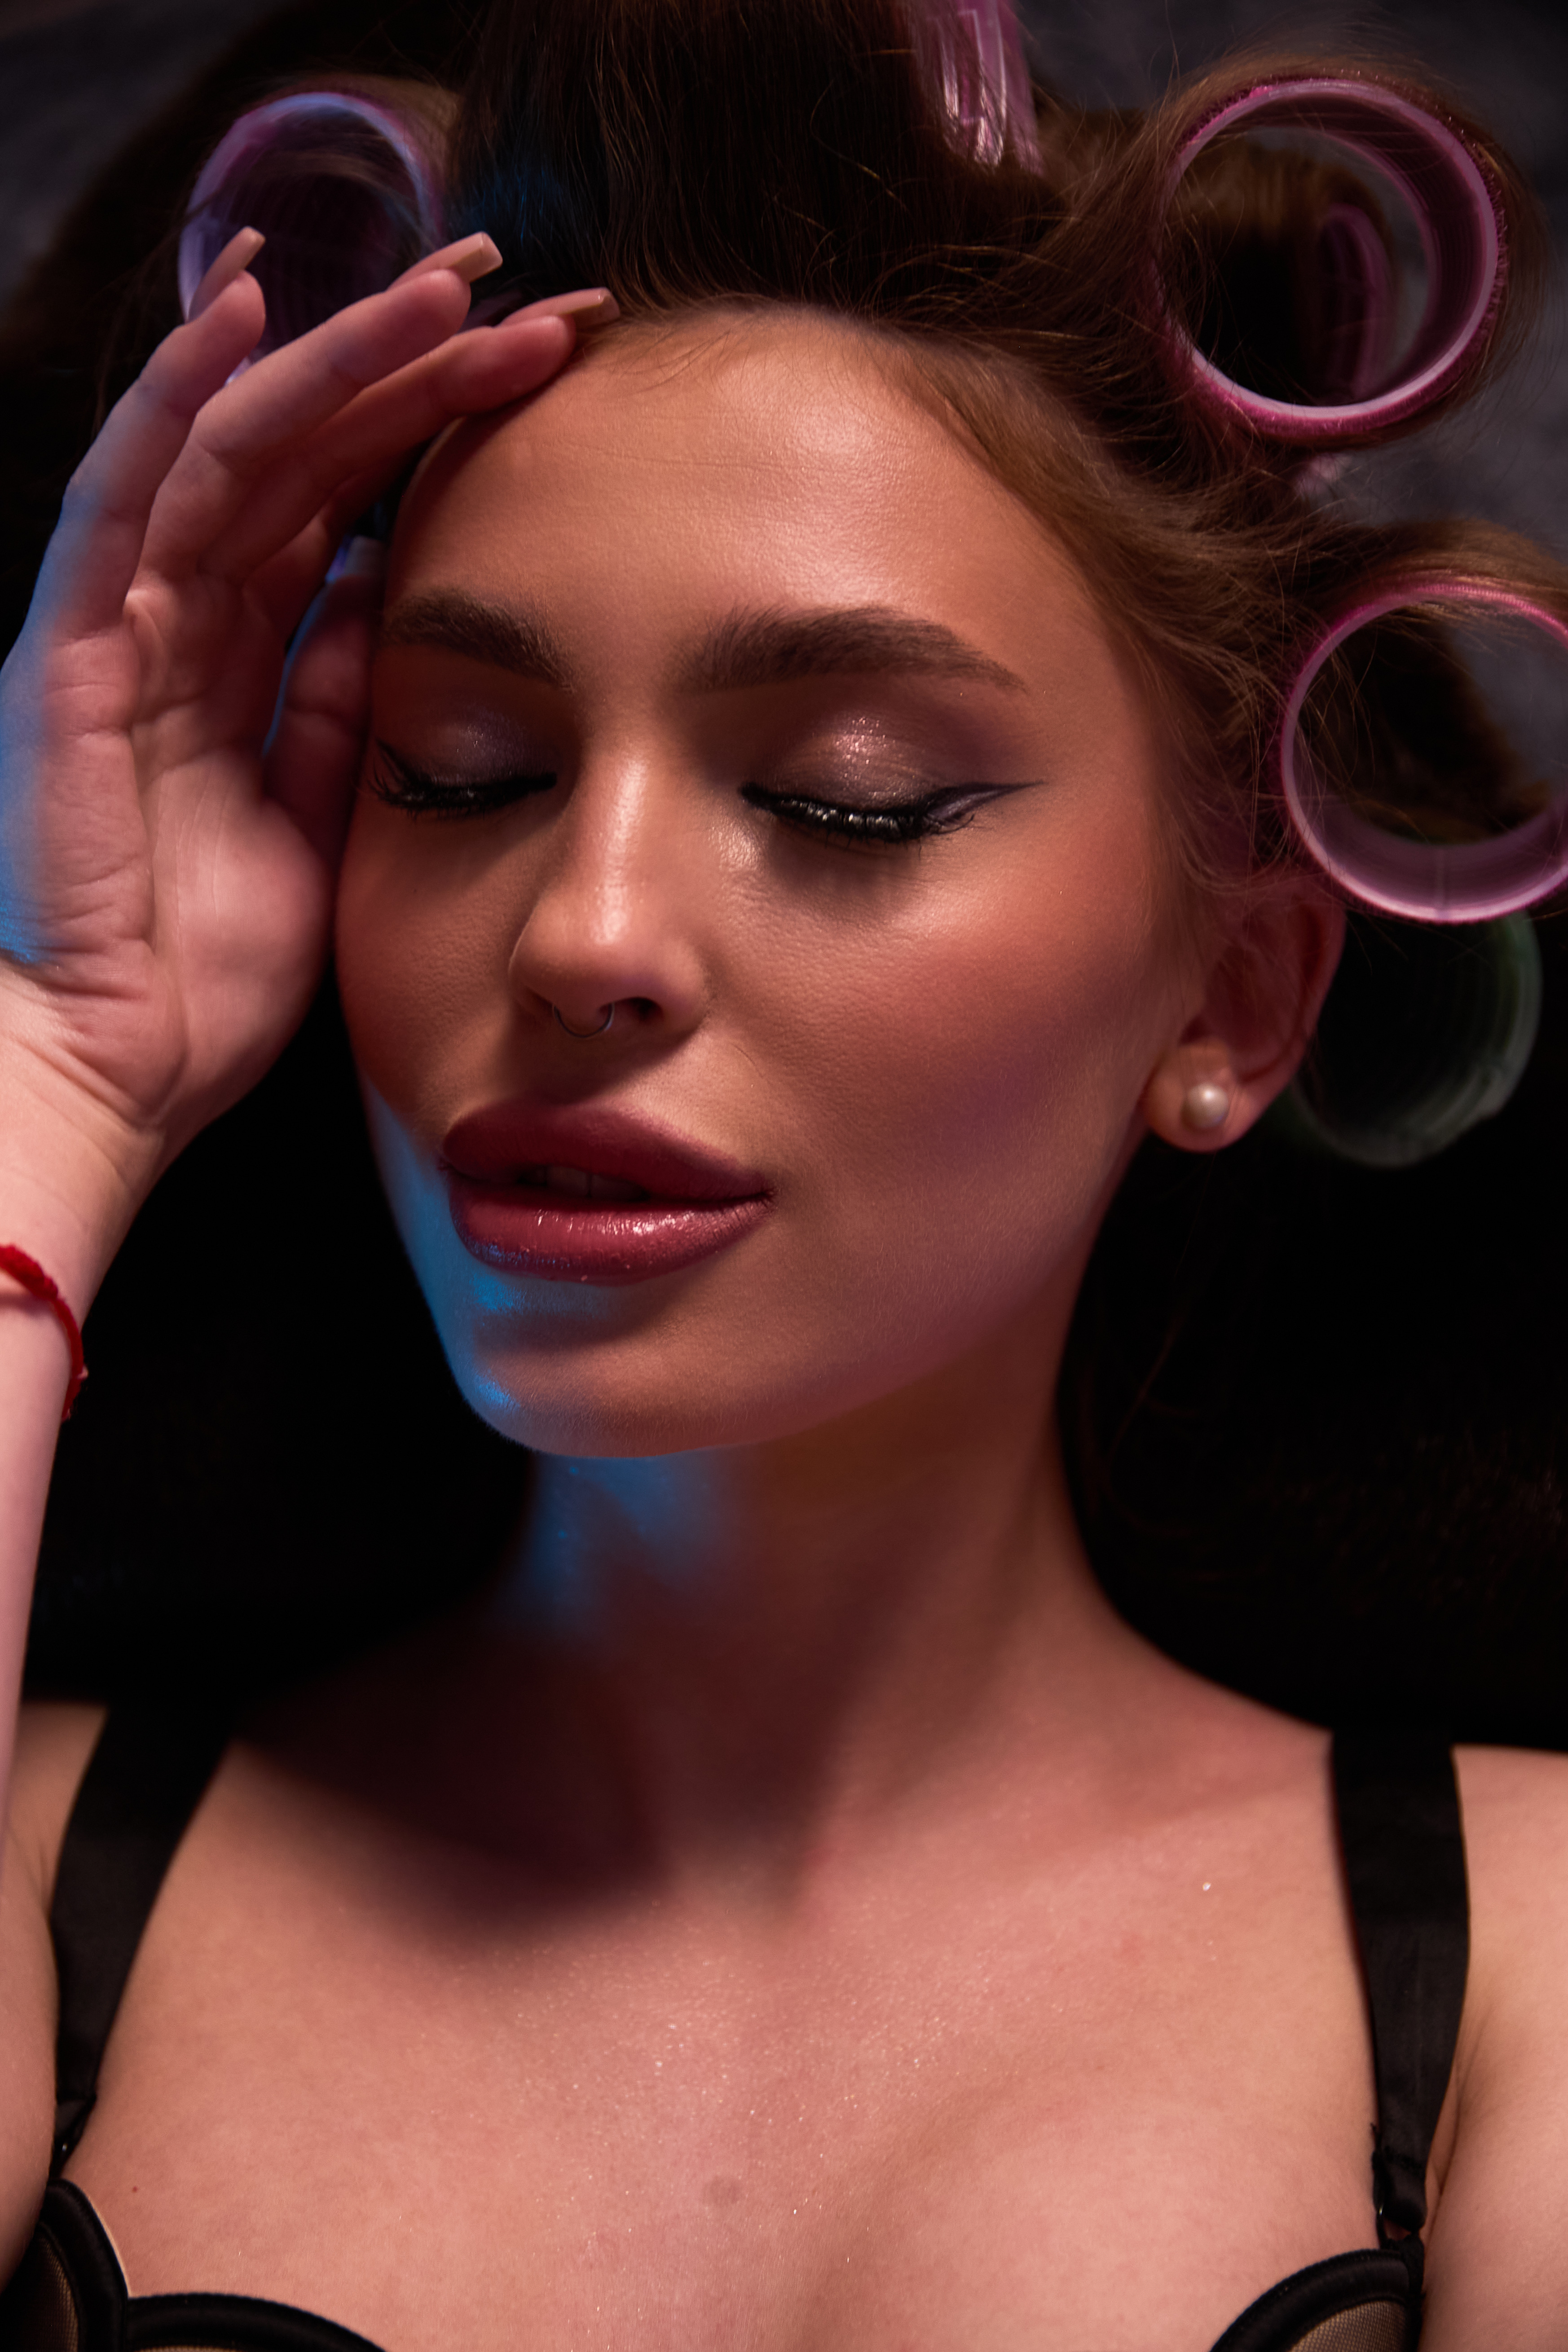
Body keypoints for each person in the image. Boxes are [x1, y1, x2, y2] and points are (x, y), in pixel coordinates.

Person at [1, 1, 1566, 2345]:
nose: (586, 934)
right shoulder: (37, 1874)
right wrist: (57, 1061)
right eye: (459, 769)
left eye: (846, 796)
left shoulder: (1528, 1972)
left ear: (1234, 1000)